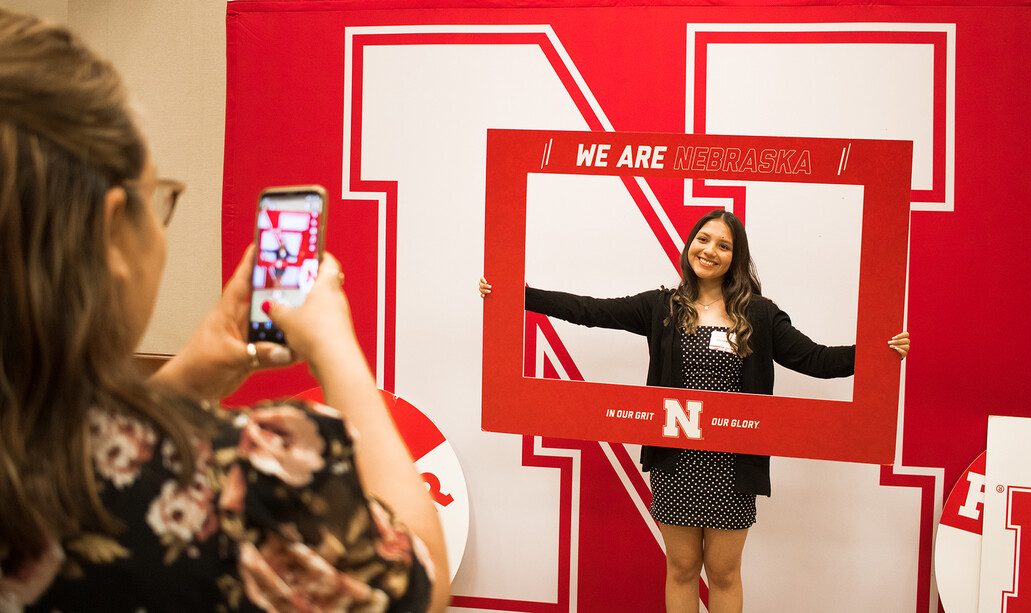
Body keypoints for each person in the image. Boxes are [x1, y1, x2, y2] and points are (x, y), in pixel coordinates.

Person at [0, 9, 449, 612]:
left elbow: (90, 454)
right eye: (158, 198)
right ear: (111, 232)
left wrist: (186, 380)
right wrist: (335, 346)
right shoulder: (249, 479)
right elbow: (416, 581)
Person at [479, 208, 909, 612]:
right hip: (675, 460)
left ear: (735, 258)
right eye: (703, 239)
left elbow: (816, 360)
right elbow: (589, 310)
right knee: (682, 569)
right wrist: (516, 294)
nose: (710, 250)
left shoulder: (759, 314)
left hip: (733, 464)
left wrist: (878, 353)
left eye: (724, 245)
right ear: (689, 246)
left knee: (723, 573)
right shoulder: (661, 307)